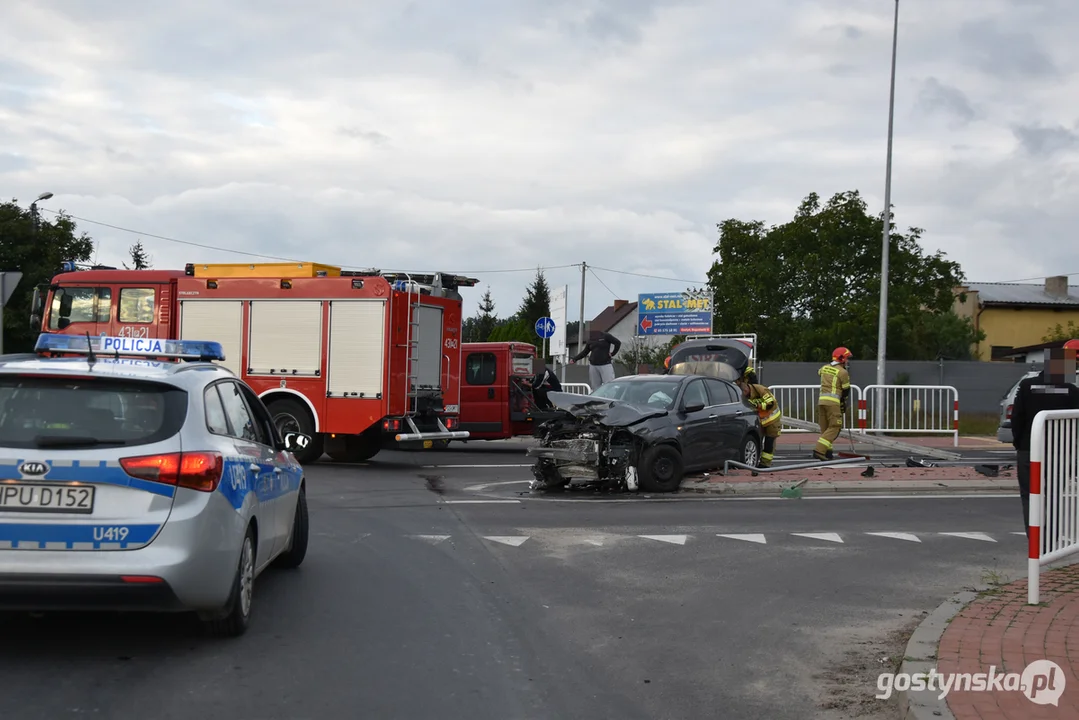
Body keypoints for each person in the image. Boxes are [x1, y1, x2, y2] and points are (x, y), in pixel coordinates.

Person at [1010, 340, 1079, 542]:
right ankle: (1052, 539)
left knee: (1029, 496)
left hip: (1028, 449)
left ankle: (1034, 538)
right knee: (1055, 496)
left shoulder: (1026, 386)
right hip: (1059, 450)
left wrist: (1019, 444)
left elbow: (1017, 418)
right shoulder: (1072, 392)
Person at [737, 367, 782, 467]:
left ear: (748, 387)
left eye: (745, 392)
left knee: (769, 442)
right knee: (758, 441)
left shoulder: (760, 389)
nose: (746, 395)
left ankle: (765, 464)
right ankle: (758, 461)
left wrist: (759, 406)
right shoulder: (743, 395)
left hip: (772, 419)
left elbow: (770, 404)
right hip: (761, 420)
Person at [813, 346, 852, 461]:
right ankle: (819, 450)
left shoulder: (824, 368)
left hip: (821, 401)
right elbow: (846, 390)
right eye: (847, 358)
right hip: (833, 403)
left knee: (825, 428)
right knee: (835, 426)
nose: (848, 361)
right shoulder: (843, 372)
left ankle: (827, 452)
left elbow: (819, 372)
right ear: (842, 358)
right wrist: (843, 403)